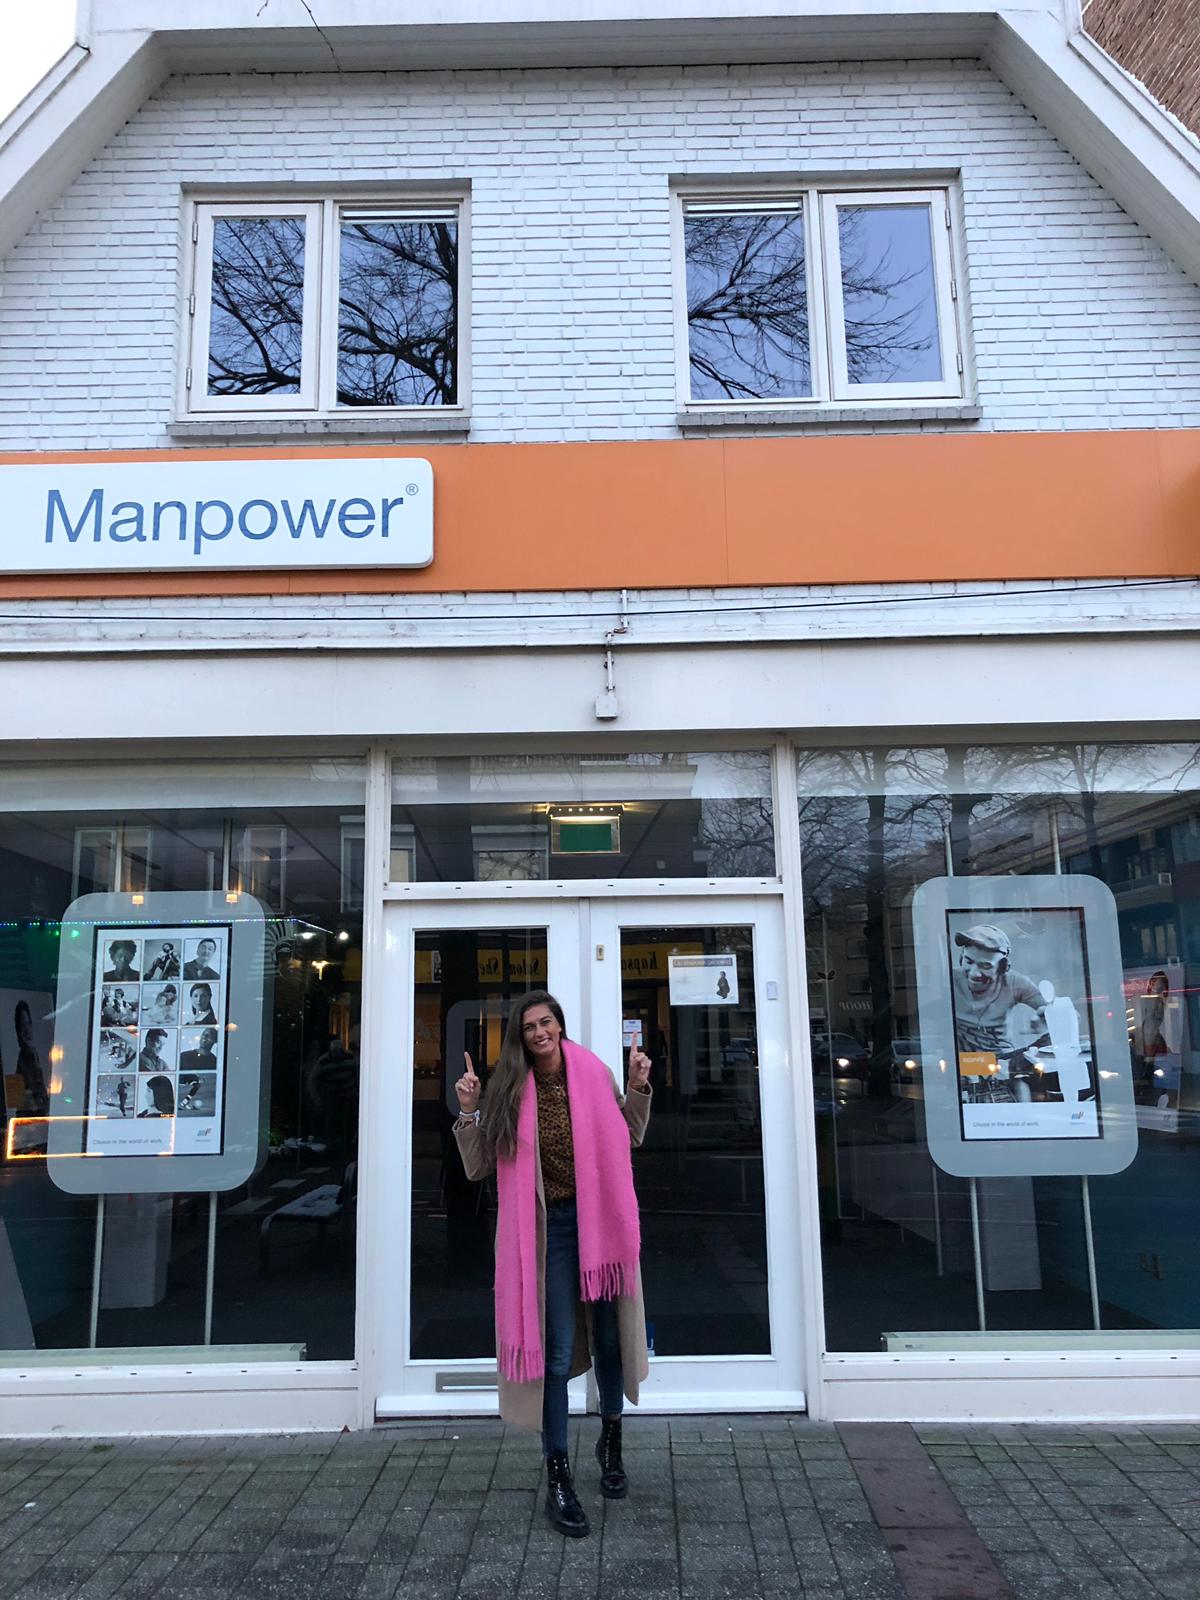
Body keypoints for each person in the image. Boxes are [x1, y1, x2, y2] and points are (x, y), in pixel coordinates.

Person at [452, 990, 651, 1539]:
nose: (539, 1032)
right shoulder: (510, 1088)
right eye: (529, 1027)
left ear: (559, 1025)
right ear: (520, 1037)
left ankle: (611, 1443)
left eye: (546, 1022)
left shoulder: (593, 1072)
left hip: (599, 1224)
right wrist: (468, 1109)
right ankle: (558, 1476)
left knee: (608, 1340)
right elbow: (478, 1167)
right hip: (550, 1233)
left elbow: (630, 1135)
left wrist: (638, 1087)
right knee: (557, 1354)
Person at [951, 924, 1049, 1103]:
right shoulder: (948, 983)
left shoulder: (1016, 982)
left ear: (1003, 967)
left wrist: (1045, 1018)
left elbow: (1060, 1017)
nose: (974, 973)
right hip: (962, 1075)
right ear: (961, 958)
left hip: (1004, 1073)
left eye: (986, 966)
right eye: (968, 962)